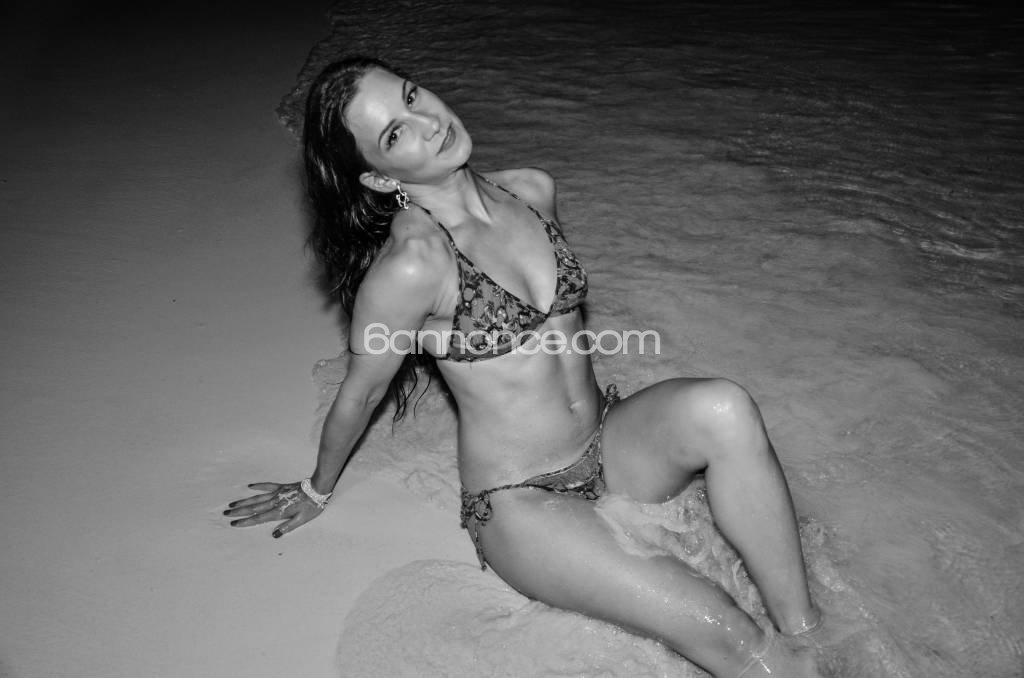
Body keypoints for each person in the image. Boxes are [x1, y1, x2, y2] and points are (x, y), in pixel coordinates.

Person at [225, 56, 823, 677]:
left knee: (725, 406)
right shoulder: (413, 265)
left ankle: (810, 634)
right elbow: (362, 393)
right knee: (731, 635)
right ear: (379, 178)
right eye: (396, 134)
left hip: (606, 442)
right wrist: (316, 489)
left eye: (412, 96)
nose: (429, 122)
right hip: (523, 501)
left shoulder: (531, 190)